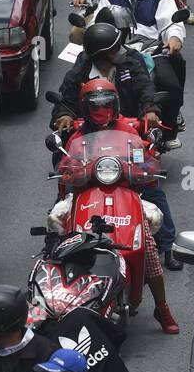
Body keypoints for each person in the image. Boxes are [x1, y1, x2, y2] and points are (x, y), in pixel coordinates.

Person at [72, 74, 184, 296]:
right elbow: (69, 165)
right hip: (89, 193)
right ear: (85, 109)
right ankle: (52, 246)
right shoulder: (78, 137)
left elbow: (141, 157)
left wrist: (144, 164)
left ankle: (162, 307)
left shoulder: (128, 131)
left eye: (106, 104)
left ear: (114, 106)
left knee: (149, 245)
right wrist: (71, 173)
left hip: (126, 189)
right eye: (95, 106)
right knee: (59, 213)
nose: (101, 110)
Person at [102, 0, 187, 150]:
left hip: (152, 53)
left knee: (172, 86)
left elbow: (172, 24)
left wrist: (174, 38)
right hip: (116, 53)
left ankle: (168, 129)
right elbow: (98, 22)